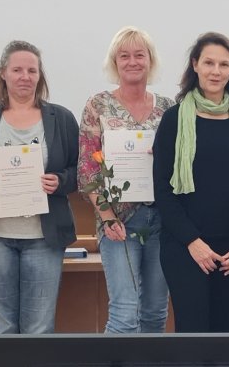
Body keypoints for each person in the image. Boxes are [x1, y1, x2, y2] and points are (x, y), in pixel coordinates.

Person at [0, 40, 80, 334]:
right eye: (17, 70)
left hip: (43, 237)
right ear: (3, 73)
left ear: (40, 75)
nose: (25, 76)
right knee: (2, 326)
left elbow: (80, 171)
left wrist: (60, 181)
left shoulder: (61, 118)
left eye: (32, 70)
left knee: (40, 327)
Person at [152, 32, 229, 332]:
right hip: (185, 247)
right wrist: (193, 242)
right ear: (195, 65)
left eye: (224, 65)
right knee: (192, 335)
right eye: (209, 63)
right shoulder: (174, 120)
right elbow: (163, 190)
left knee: (223, 333)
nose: (216, 71)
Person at [78, 26, 175, 333]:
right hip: (117, 222)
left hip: (162, 221)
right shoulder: (98, 105)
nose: (132, 61)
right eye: (124, 56)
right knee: (123, 314)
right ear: (115, 62)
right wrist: (107, 218)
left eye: (139, 55)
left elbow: (179, 167)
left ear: (150, 60)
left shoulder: (168, 108)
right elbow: (86, 169)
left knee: (155, 313)